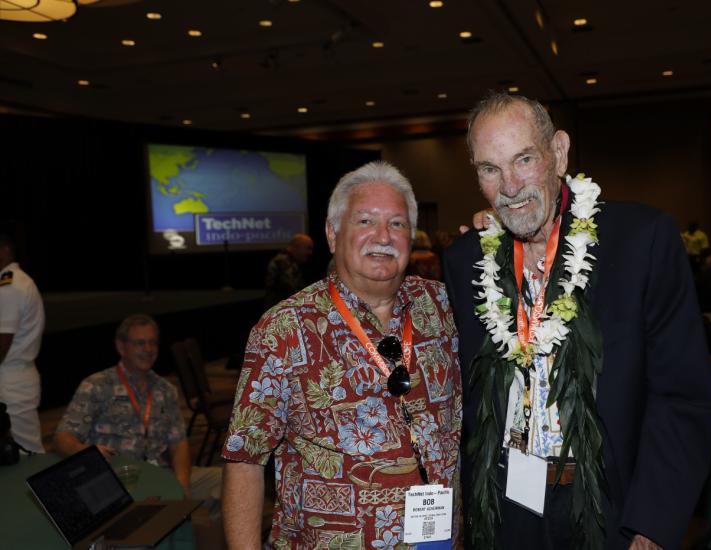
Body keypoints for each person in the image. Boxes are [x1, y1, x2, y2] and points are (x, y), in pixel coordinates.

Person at [442, 92, 711, 550]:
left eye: (524, 159)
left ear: (559, 152)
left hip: (612, 507)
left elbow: (683, 396)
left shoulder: (640, 242)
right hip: (504, 508)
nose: (509, 186)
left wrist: (650, 525)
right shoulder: (465, 260)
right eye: (490, 169)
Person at [221, 161, 462, 549]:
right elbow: (245, 459)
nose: (383, 236)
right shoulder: (284, 330)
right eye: (365, 221)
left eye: (397, 224)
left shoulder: (443, 307)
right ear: (333, 234)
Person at [54, 314, 219, 501]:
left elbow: (178, 444)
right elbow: (62, 438)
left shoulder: (165, 390)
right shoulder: (96, 386)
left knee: (225, 480)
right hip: (117, 481)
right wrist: (86, 452)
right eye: (140, 343)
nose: (148, 349)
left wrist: (182, 486)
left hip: (163, 476)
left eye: (153, 343)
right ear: (121, 347)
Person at [0, 232, 46, 453]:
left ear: (5, 250)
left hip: (12, 380)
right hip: (12, 376)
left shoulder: (10, 285)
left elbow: (2, 342)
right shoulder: (11, 282)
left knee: (27, 453)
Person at [264, 233, 315, 310]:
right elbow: (291, 291)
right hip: (280, 313)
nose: (310, 253)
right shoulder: (283, 262)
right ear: (297, 246)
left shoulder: (289, 262)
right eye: (308, 248)